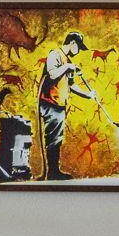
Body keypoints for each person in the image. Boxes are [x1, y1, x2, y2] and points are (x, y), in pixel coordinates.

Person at [36, 32, 107, 181]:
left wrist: (88, 95)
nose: (78, 51)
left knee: (57, 138)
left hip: (60, 104)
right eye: (78, 47)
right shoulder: (54, 55)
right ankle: (52, 172)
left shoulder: (67, 60)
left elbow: (71, 85)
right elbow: (52, 74)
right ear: (72, 43)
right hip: (50, 102)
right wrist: (68, 66)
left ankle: (54, 171)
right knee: (53, 139)